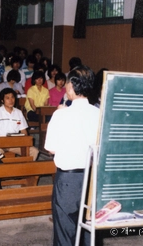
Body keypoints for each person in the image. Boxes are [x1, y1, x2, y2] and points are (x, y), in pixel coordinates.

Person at [44, 65, 100, 246]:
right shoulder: (99, 113)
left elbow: (50, 148)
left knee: (65, 232)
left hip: (68, 181)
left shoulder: (61, 115)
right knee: (88, 229)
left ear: (70, 87)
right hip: (92, 179)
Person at [0, 88, 39, 161]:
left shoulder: (18, 112)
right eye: (7, 98)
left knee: (34, 151)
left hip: (15, 143)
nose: (11, 100)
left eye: (12, 97)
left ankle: (24, 170)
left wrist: (26, 143)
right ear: (2, 100)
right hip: (0, 143)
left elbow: (23, 130)